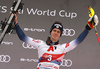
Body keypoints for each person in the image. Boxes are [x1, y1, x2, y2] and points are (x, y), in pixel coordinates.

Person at [13, 14, 99, 69]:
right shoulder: (40, 44)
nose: (56, 33)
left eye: (58, 32)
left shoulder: (63, 48)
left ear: (60, 35)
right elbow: (22, 37)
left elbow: (78, 40)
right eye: (54, 30)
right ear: (50, 32)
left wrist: (88, 27)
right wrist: (16, 23)